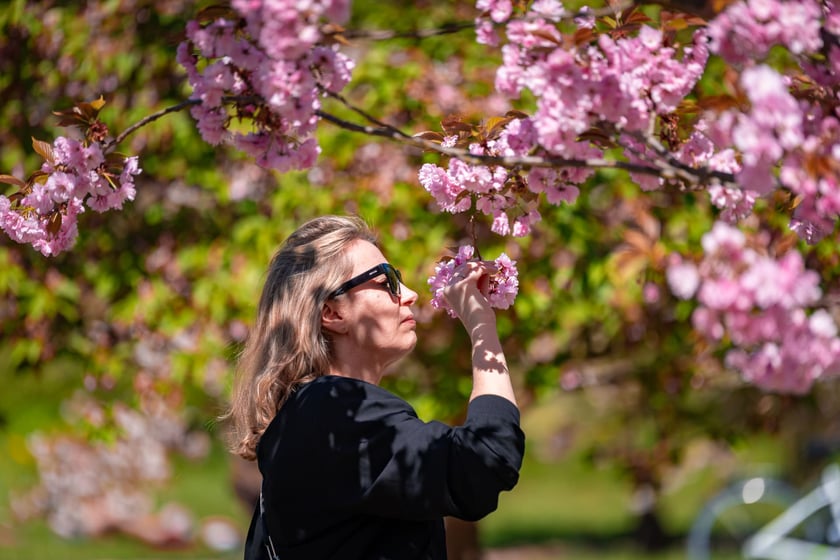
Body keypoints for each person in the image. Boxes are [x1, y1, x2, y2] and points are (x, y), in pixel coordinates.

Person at [226, 215, 525, 560]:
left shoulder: (309, 416)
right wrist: (482, 326)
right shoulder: (339, 414)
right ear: (331, 312)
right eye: (386, 283)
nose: (411, 295)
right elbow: (486, 458)